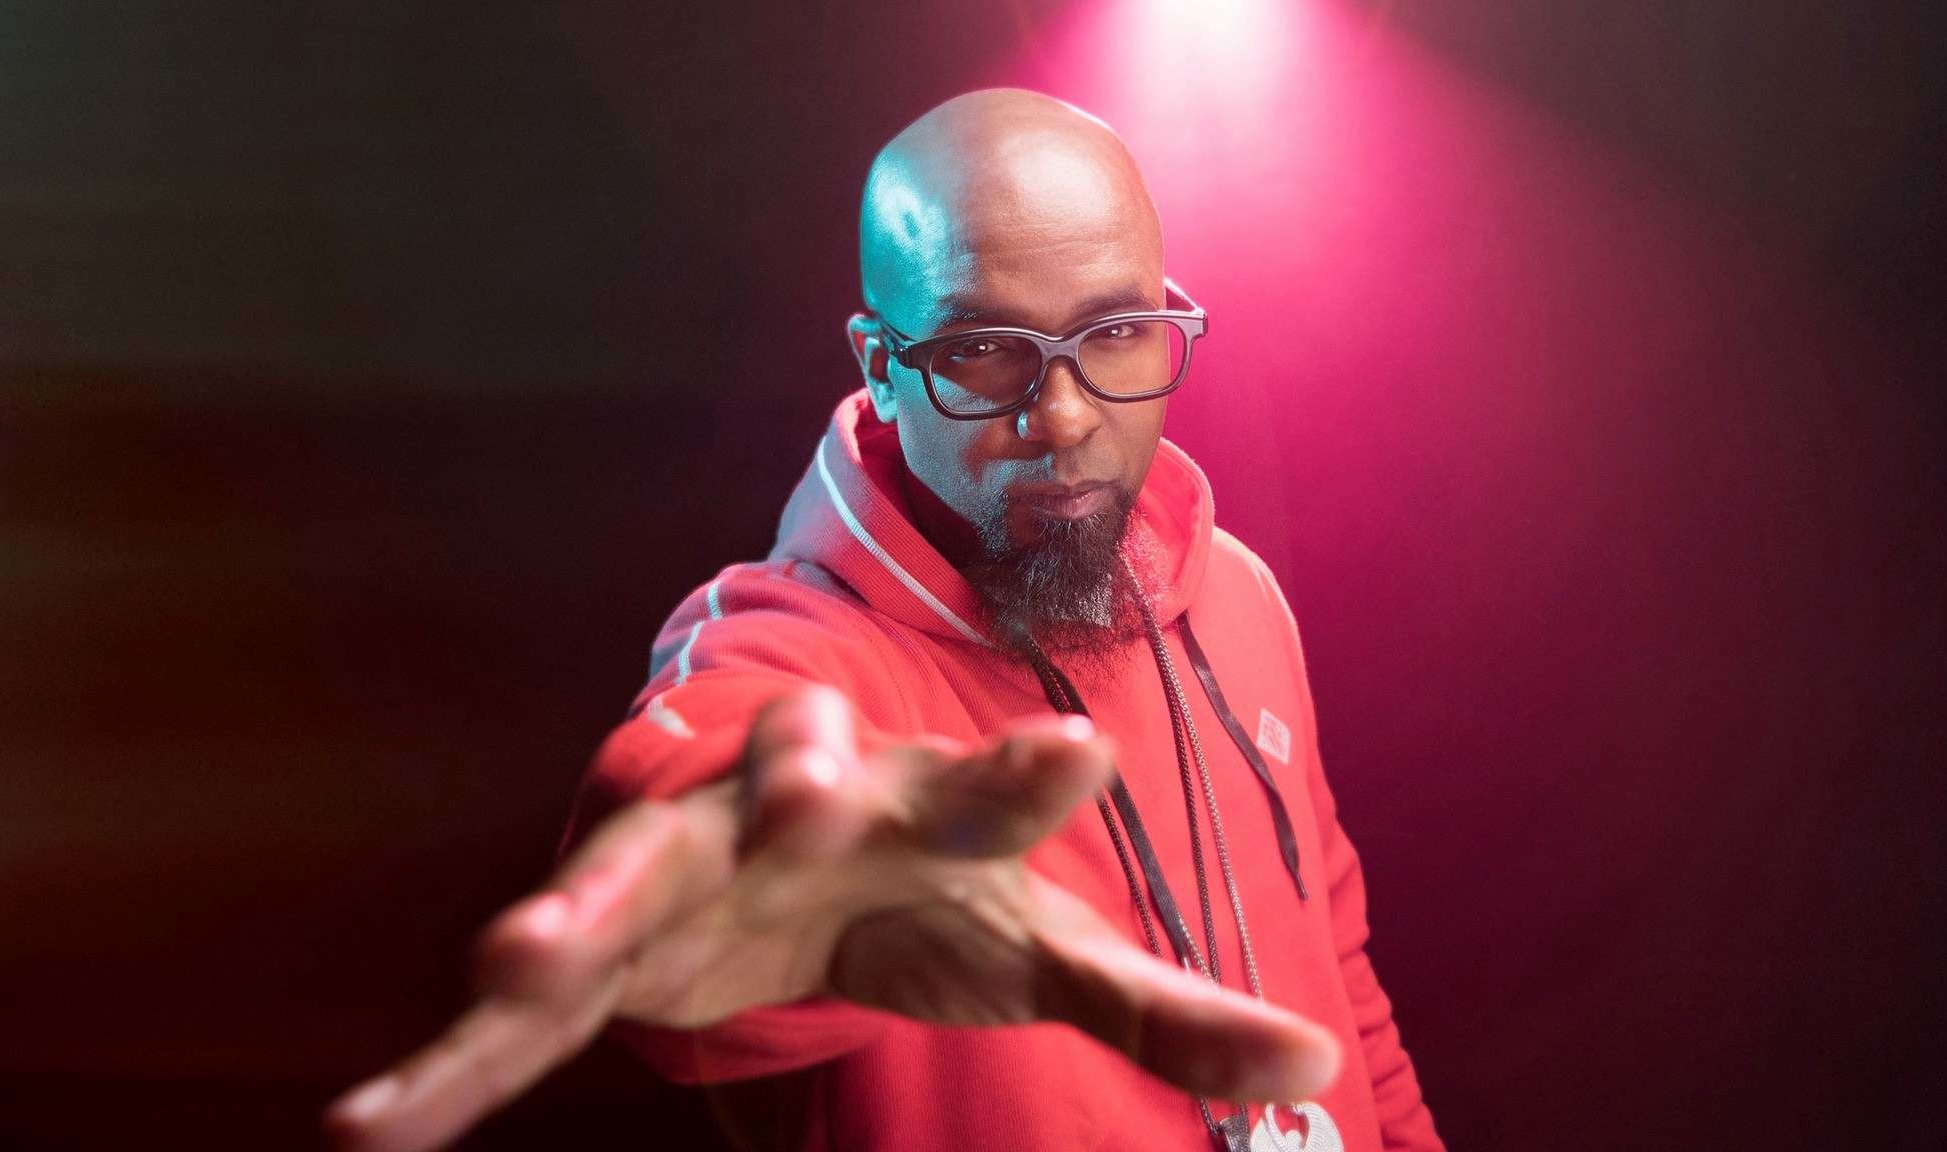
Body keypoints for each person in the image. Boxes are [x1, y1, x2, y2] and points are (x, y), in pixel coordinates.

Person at [326, 87, 1443, 1152]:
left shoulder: (1240, 593)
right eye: (979, 350)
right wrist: (729, 862)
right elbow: (718, 757)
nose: (1061, 418)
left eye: (1113, 332)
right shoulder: (809, 651)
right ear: (883, 368)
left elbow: (1341, 984)